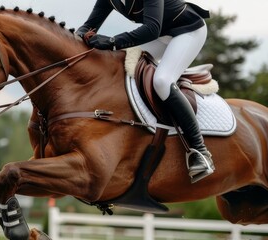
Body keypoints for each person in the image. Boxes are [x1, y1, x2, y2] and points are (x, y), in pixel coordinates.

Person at [75, 0, 214, 183]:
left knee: (162, 81)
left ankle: (200, 151)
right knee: (119, 62)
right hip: (161, 36)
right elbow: (88, 26)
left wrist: (112, 41)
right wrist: (77, 38)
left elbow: (151, 28)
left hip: (187, 31)